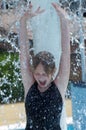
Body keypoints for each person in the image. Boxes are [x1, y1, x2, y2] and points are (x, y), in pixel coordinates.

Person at [19, 2, 70, 130]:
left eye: (44, 74)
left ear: (52, 72)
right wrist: (23, 20)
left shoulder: (59, 86)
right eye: (37, 73)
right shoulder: (30, 85)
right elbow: (23, 51)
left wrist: (64, 21)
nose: (40, 77)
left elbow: (65, 54)